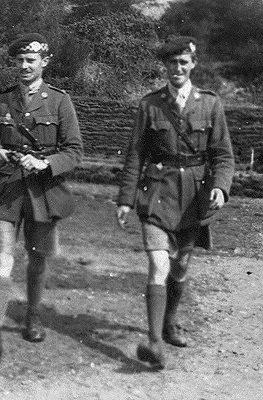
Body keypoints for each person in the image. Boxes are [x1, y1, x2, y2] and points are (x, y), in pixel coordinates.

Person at [116, 36, 234, 369]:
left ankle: (168, 321)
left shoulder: (210, 104)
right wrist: (126, 198)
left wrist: (221, 188)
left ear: (193, 64)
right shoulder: (150, 104)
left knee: (180, 267)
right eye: (172, 63)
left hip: (194, 198)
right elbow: (135, 155)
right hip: (157, 194)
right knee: (158, 265)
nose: (177, 68)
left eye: (183, 62)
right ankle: (154, 343)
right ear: (165, 67)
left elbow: (223, 155)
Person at [0, 33, 83, 362]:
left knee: (37, 259)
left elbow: (74, 151)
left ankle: (33, 315)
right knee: (4, 257)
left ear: (44, 62)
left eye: (30, 60)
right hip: (6, 190)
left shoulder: (60, 101)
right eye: (19, 60)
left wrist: (46, 162)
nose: (24, 66)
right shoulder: (3, 101)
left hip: (43, 192)